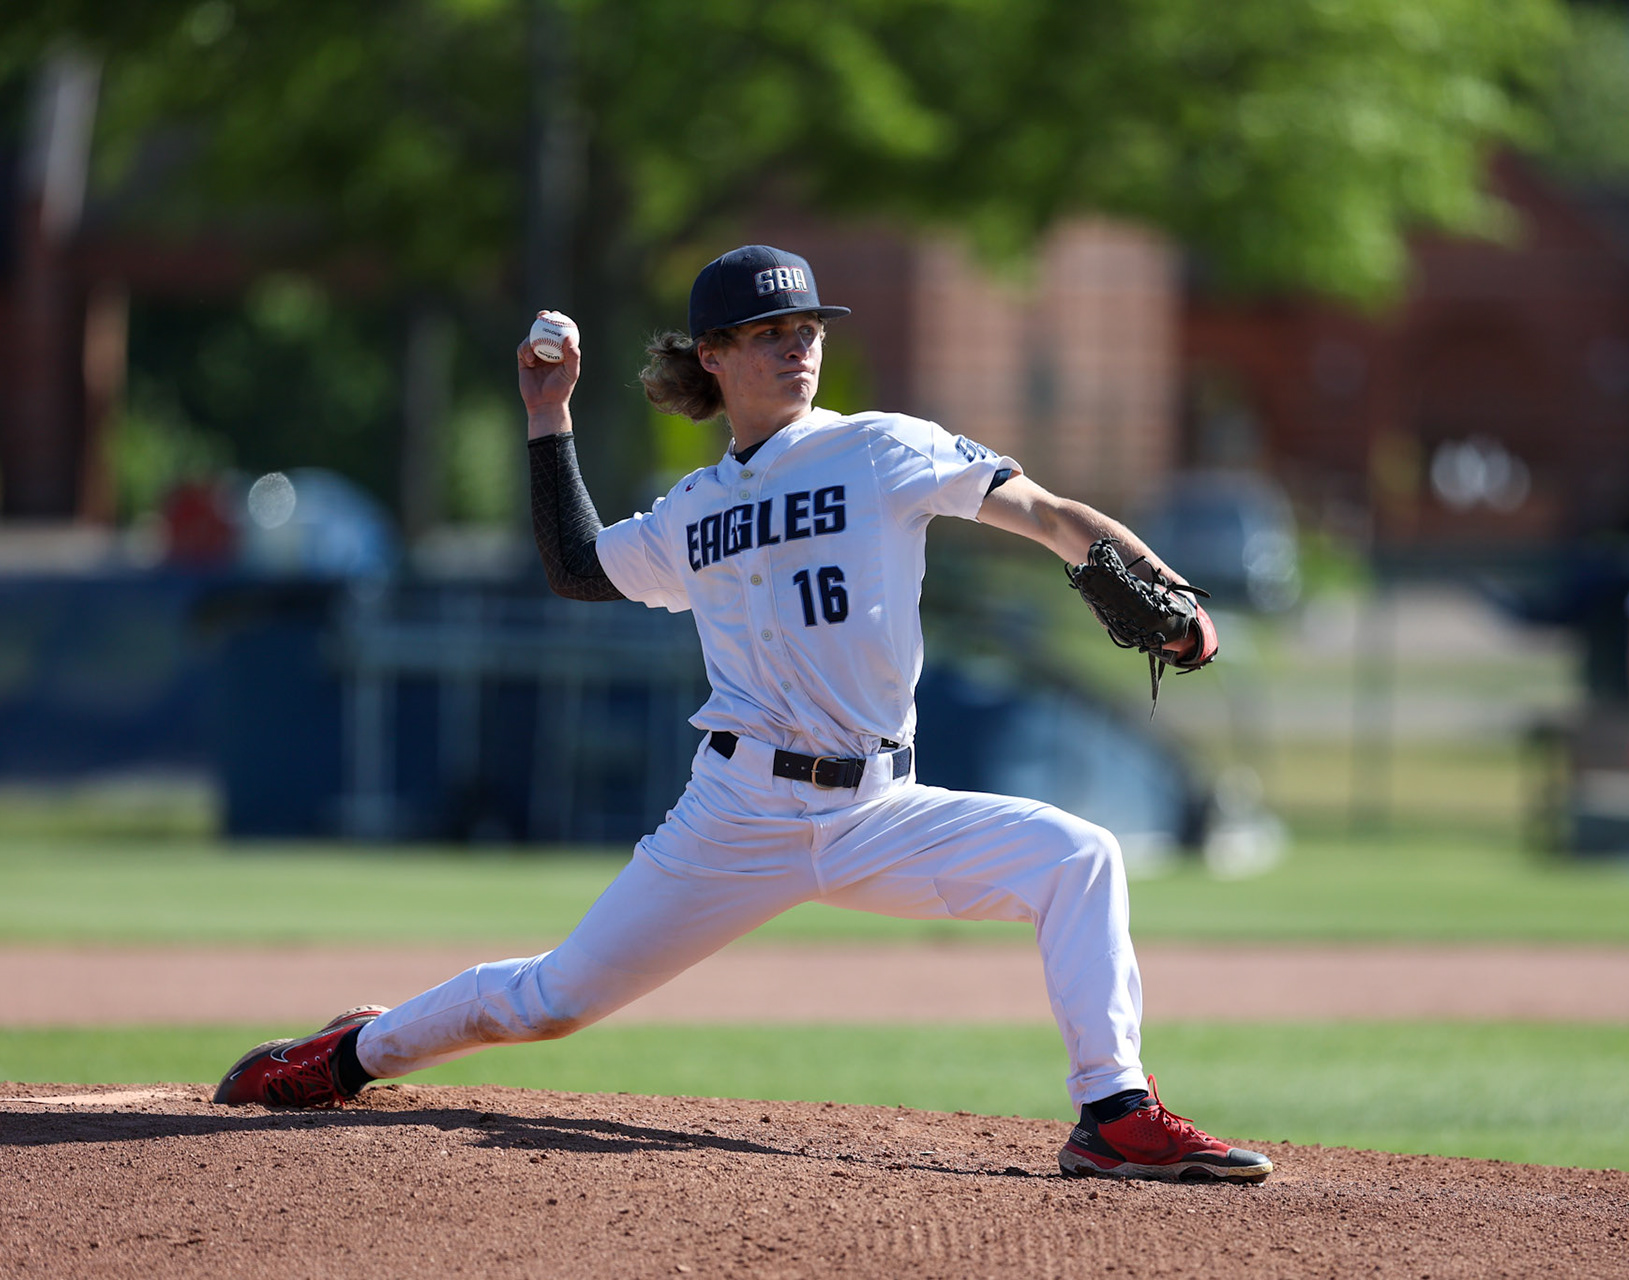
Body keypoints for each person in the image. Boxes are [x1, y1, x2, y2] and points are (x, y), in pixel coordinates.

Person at [212, 245, 1268, 1184]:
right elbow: (581, 567)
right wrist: (548, 417)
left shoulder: (880, 448)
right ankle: (345, 1054)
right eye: (769, 333)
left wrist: (1160, 587)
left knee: (1077, 855)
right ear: (713, 354)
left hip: (877, 810)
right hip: (736, 812)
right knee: (548, 1002)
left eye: (806, 329)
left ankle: (1114, 1112)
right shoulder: (694, 509)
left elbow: (1045, 511)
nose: (797, 348)